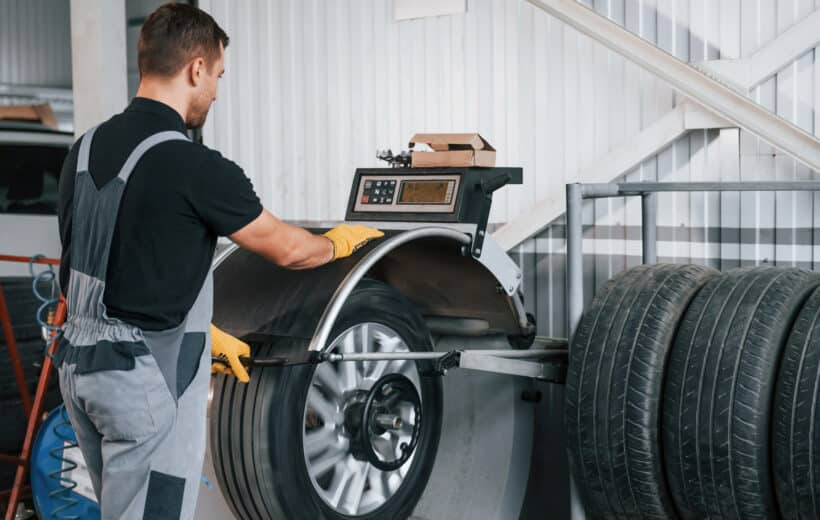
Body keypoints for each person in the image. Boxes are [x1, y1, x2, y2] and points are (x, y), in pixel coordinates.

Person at [54, 4, 382, 519]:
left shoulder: (83, 150)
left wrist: (202, 335)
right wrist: (338, 243)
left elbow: (98, 266)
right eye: (218, 76)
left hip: (80, 373)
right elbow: (287, 249)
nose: (216, 93)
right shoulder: (194, 165)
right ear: (196, 68)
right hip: (145, 385)